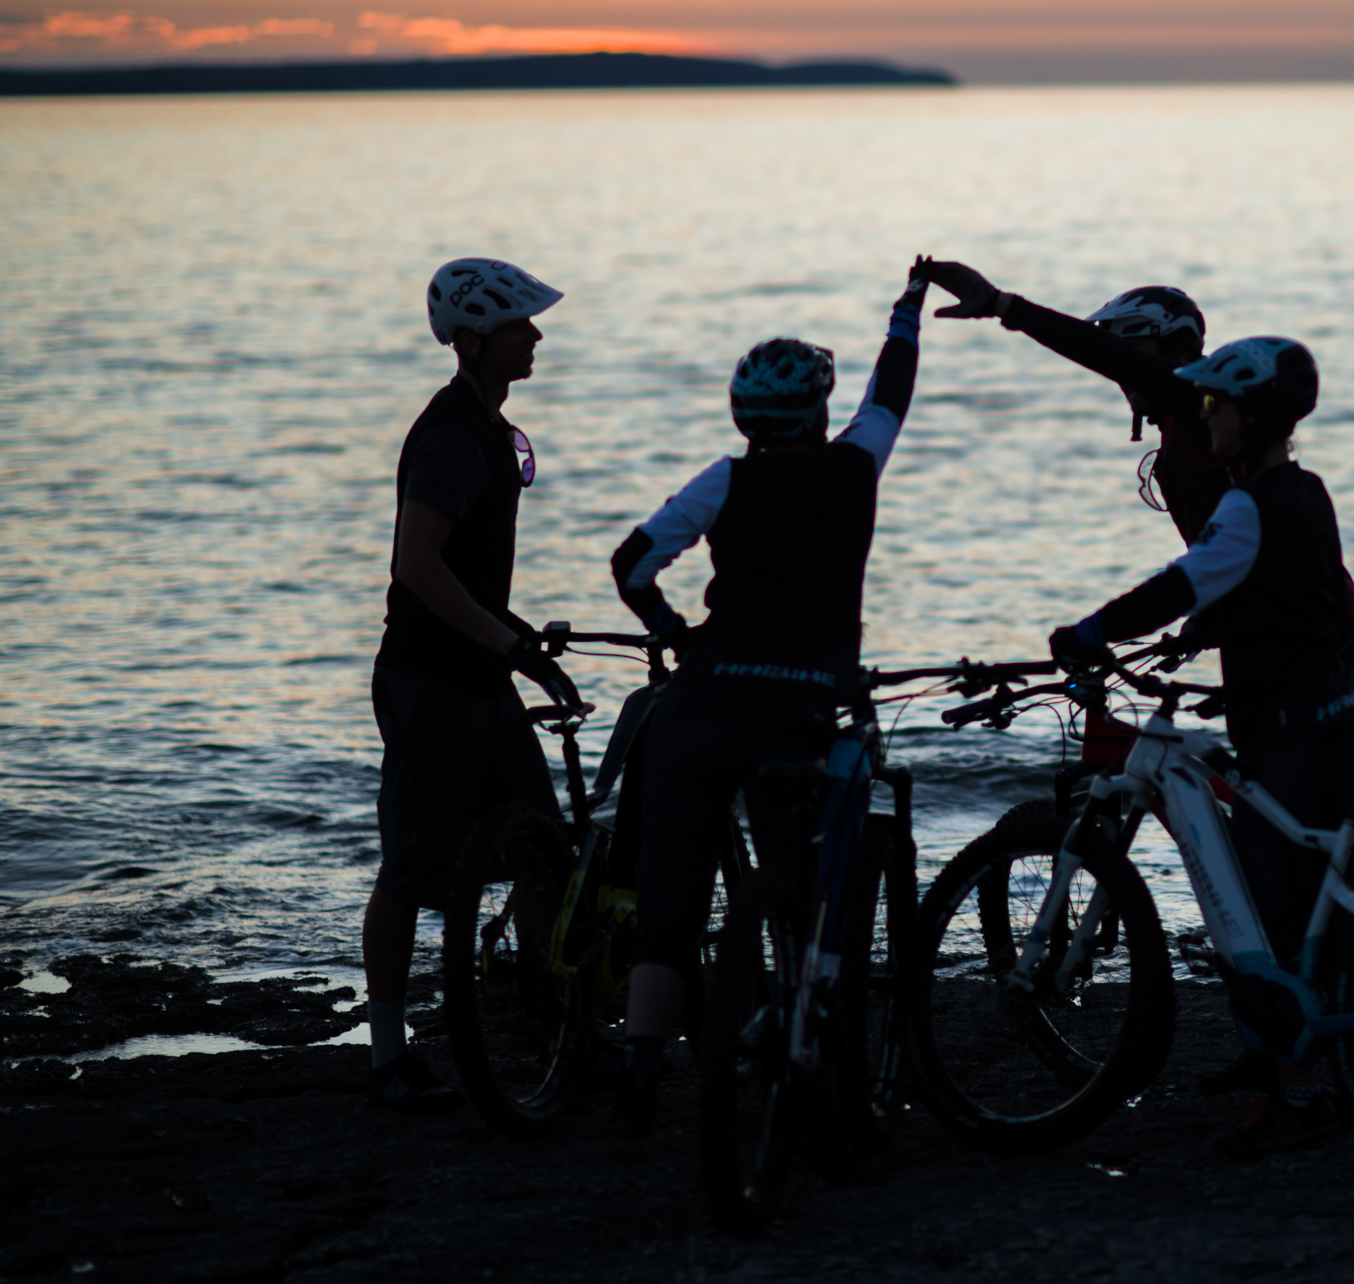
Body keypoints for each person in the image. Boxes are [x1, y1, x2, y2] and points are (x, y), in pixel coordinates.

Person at [1047, 335, 1354, 1159]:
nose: (1205, 416)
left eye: (1216, 405)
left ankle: (1304, 1098)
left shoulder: (1244, 505)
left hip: (1291, 731)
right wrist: (1200, 636)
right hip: (1337, 713)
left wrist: (1091, 631)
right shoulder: (1305, 491)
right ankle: (1307, 1062)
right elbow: (1273, 590)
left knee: (1270, 909)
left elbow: (1186, 579)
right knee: (1306, 903)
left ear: (1253, 417)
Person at [605, 263, 931, 1135]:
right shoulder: (854, 468)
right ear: (819, 412)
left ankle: (640, 1074)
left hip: (701, 706)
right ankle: (806, 1053)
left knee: (669, 901)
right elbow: (890, 396)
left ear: (742, 417)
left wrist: (675, 632)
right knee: (805, 895)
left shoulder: (723, 481)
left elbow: (631, 566)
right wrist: (907, 311)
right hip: (796, 717)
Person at [915, 263, 1354, 719]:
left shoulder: (1208, 403)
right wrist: (1204, 622)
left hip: (1331, 657)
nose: (1124, 376)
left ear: (1178, 349)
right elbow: (1245, 562)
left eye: (1135, 355)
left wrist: (1005, 306)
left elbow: (1112, 359)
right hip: (1275, 646)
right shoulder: (1196, 428)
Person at [363, 258, 584, 1114]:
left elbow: (465, 574)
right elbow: (416, 566)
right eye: (519, 325)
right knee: (410, 868)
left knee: (541, 850)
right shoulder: (454, 435)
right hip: (432, 680)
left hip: (481, 675)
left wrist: (520, 644)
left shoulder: (491, 429)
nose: (536, 336)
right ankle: (388, 1055)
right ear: (474, 339)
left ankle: (549, 1018)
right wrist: (511, 646)